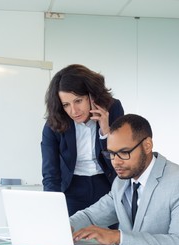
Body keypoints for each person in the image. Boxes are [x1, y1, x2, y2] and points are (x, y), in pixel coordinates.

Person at [70, 114, 179, 245]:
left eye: (124, 152)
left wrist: (119, 237)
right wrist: (66, 226)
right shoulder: (121, 182)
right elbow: (91, 216)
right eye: (111, 154)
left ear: (147, 145)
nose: (116, 162)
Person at [41, 64, 124, 216]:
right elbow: (50, 173)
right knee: (73, 237)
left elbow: (121, 160)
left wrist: (106, 131)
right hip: (72, 188)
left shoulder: (113, 109)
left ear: (92, 96)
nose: (73, 111)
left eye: (78, 101)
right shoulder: (55, 122)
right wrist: (50, 210)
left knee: (108, 236)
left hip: (107, 185)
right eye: (66, 104)